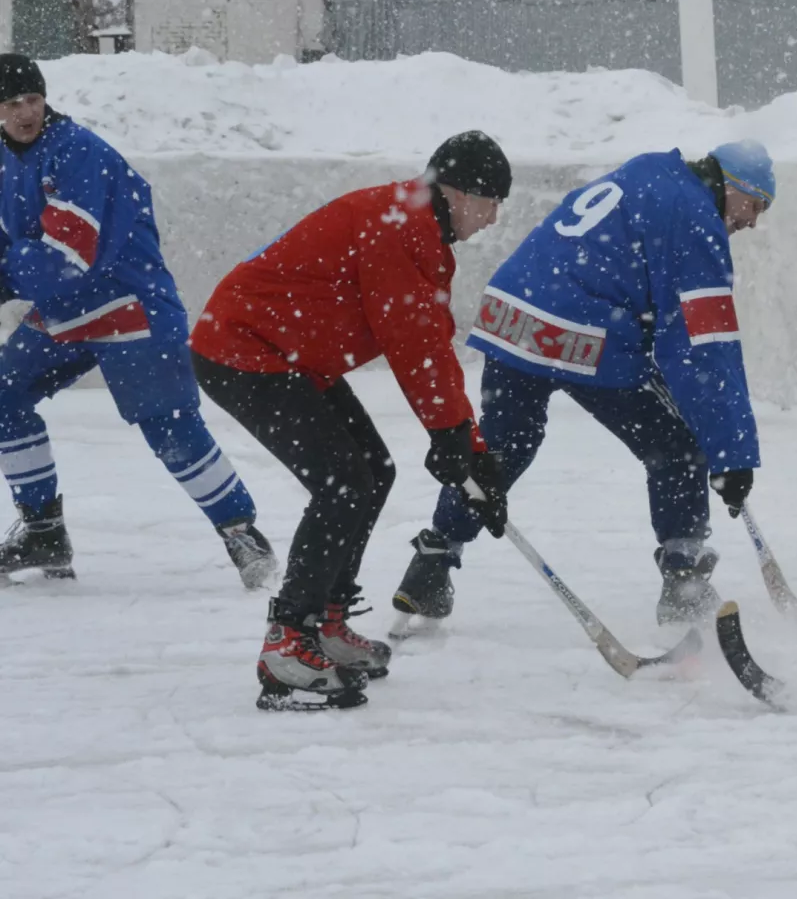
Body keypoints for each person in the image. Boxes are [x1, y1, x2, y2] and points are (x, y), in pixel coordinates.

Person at [389, 140, 772, 631]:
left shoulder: (649, 167)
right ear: (734, 187)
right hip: (586, 331)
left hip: (512, 309)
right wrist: (731, 454)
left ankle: (432, 560)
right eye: (756, 205)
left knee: (504, 445)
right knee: (676, 446)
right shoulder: (698, 218)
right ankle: (684, 577)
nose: (753, 221)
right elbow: (705, 344)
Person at [190, 131, 512, 711]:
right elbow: (411, 341)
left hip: (291, 357)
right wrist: (449, 435)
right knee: (343, 482)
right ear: (461, 193)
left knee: (372, 469)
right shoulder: (398, 227)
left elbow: (433, 343)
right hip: (245, 352)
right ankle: (288, 641)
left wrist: (471, 444)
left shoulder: (417, 228)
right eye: (492, 203)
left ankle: (328, 622)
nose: (493, 219)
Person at [0, 53, 276, 587]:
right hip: (64, 311)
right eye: (11, 104)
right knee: (3, 394)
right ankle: (43, 531)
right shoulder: (5, 158)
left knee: (169, 425)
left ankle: (241, 532)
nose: (25, 112)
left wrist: (6, 273)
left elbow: (66, 257)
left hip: (130, 306)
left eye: (32, 99)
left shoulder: (79, 153)